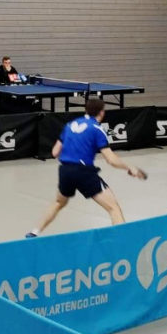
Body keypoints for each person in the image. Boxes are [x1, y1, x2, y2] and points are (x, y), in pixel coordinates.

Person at [25, 98, 146, 238]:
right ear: (102, 112)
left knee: (59, 202)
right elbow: (111, 159)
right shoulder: (97, 129)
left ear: (86, 110)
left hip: (65, 170)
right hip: (84, 172)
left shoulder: (70, 125)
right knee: (113, 208)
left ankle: (34, 232)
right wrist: (130, 167)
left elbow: (55, 152)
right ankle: (122, 241)